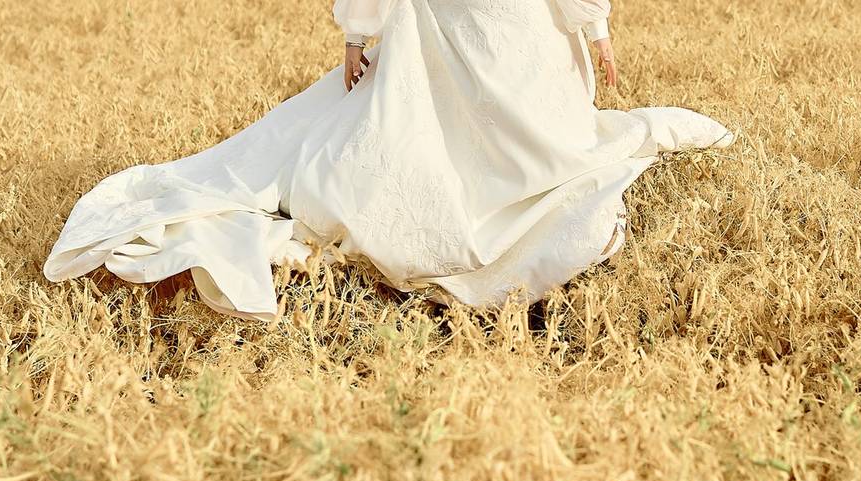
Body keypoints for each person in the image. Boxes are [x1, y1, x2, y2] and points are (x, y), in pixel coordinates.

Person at [44, 0, 734, 321]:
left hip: (480, 25)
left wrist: (361, 29)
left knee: (484, 118)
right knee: (519, 129)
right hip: (476, 25)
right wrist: (595, 25)